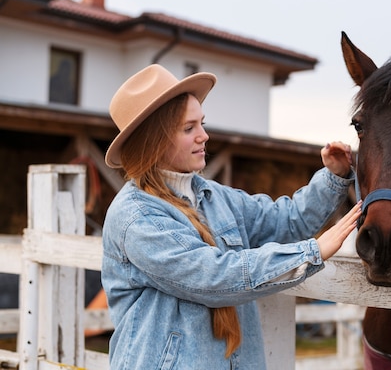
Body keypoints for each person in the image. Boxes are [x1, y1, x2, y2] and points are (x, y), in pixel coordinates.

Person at [101, 64, 362, 370]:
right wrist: (311, 252)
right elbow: (213, 277)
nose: (204, 136)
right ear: (154, 142)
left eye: (202, 123)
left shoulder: (215, 197)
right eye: (189, 128)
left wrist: (333, 178)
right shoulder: (136, 217)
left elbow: (285, 221)